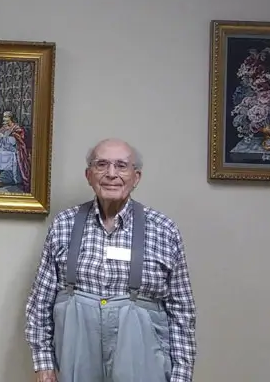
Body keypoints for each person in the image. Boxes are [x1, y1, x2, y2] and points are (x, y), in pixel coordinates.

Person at [24, 138, 197, 382]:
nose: (111, 174)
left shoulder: (164, 229)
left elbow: (182, 311)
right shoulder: (64, 224)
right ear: (89, 174)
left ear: (136, 177)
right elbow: (39, 303)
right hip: (77, 354)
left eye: (121, 166)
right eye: (102, 164)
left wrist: (181, 375)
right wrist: (44, 364)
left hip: (142, 358)